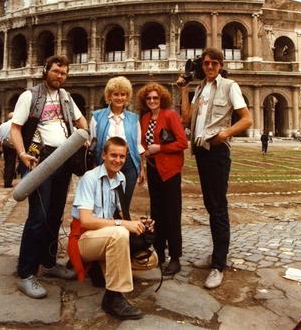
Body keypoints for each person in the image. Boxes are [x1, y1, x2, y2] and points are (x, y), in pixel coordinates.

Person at [10, 55, 88, 299]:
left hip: (62, 158)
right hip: (38, 159)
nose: (60, 76)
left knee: (55, 214)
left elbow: (81, 121)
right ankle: (26, 273)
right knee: (38, 216)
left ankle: (49, 262)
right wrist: (22, 154)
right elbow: (16, 128)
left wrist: (82, 137)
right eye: (56, 71)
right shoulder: (30, 96)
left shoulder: (66, 97)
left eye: (64, 73)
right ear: (46, 71)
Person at [178, 47, 252, 289]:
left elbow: (247, 119)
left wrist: (226, 133)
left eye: (214, 64)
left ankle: (219, 265)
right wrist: (183, 88)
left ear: (220, 65)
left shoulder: (230, 86)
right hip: (201, 151)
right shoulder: (200, 89)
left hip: (218, 151)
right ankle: (215, 255)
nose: (210, 67)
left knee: (218, 206)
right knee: (211, 205)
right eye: (206, 64)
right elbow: (186, 119)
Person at [68, 136, 151, 320]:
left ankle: (101, 270)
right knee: (120, 232)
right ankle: (113, 297)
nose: (118, 160)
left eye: (122, 156)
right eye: (113, 155)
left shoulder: (121, 178)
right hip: (84, 239)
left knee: (151, 260)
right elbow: (86, 221)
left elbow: (120, 215)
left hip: (105, 237)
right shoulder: (90, 178)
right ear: (103, 155)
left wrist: (140, 223)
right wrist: (123, 224)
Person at [137, 82, 188, 276]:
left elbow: (183, 142)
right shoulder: (146, 118)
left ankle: (175, 258)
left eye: (155, 98)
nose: (152, 101)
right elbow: (142, 144)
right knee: (157, 213)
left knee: (172, 214)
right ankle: (159, 252)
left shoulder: (170, 115)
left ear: (162, 99)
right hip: (153, 169)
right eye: (149, 98)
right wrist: (142, 166)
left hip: (170, 171)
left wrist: (161, 148)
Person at [90, 76, 145, 210]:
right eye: (116, 94)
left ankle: (122, 229)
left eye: (123, 94)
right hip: (105, 163)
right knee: (105, 202)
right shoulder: (97, 116)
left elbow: (138, 145)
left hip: (129, 164)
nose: (119, 98)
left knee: (124, 204)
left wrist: (142, 169)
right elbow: (93, 143)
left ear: (127, 97)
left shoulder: (133, 118)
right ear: (109, 96)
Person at [0, 112, 17, 188]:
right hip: (12, 144)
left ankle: (6, 180)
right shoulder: (15, 124)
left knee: (6, 162)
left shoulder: (2, 125)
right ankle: (8, 182)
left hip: (4, 144)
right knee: (11, 163)